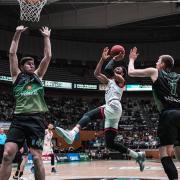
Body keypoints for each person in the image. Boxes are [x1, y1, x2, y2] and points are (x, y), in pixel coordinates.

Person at [56, 47, 145, 171]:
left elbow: (108, 69)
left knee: (88, 115)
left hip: (113, 105)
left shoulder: (121, 80)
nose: (117, 68)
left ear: (123, 73)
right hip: (113, 110)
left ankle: (72, 133)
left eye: (120, 68)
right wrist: (102, 59)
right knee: (110, 143)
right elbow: (96, 73)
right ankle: (137, 155)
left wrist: (114, 58)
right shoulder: (109, 81)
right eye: (117, 67)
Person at [0, 25, 51, 180]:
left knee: (36, 157)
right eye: (29, 64)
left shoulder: (38, 76)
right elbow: (12, 53)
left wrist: (46, 37)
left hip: (36, 120)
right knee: (7, 154)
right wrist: (17, 34)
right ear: (21, 67)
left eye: (33, 64)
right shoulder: (16, 76)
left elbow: (47, 57)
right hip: (19, 120)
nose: (32, 65)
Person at [128, 47, 180, 180]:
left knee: (164, 154)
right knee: (177, 152)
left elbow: (131, 72)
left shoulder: (155, 71)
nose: (156, 62)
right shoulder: (179, 77)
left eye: (158, 60)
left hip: (168, 114)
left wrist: (131, 59)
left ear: (162, 64)